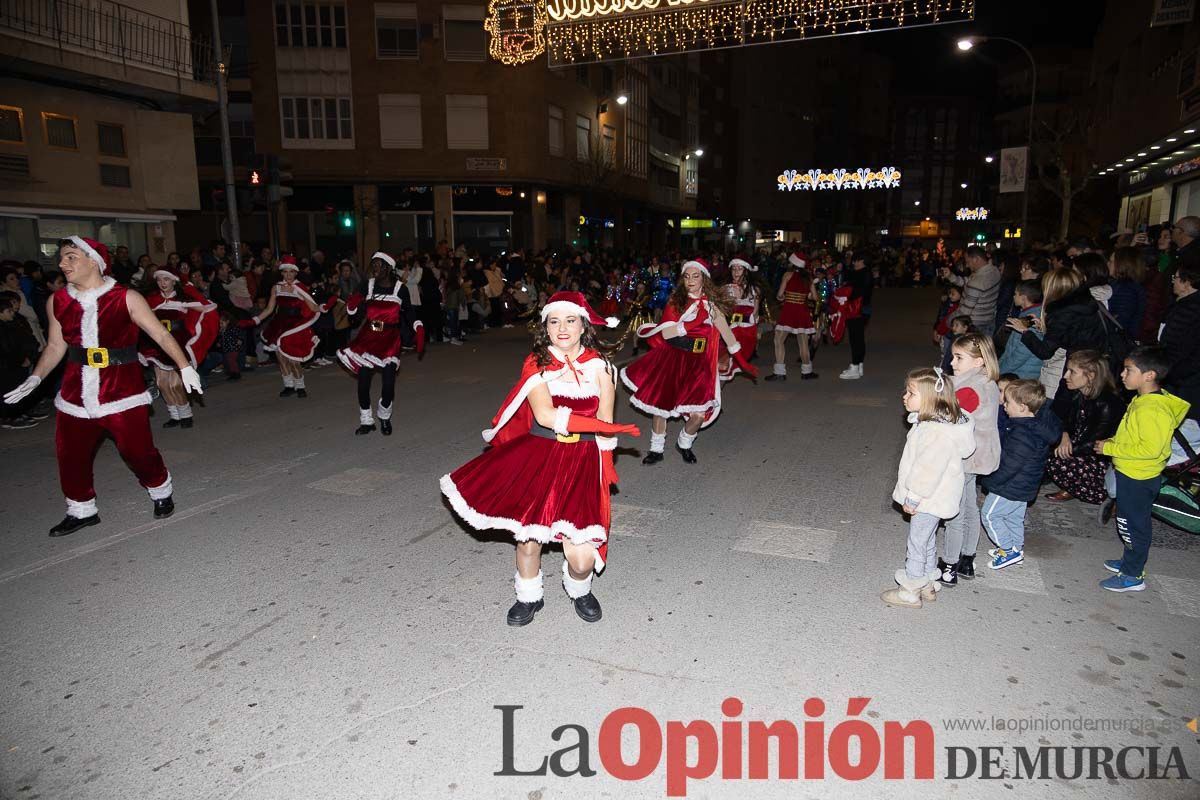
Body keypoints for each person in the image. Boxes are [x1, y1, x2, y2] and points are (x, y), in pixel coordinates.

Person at [440, 292, 640, 626]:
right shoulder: (537, 363)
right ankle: (528, 596)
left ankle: (578, 588)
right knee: (529, 539)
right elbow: (546, 416)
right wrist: (602, 426)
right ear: (545, 326)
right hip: (541, 455)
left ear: (583, 325)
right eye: (554, 321)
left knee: (582, 559)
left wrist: (606, 467)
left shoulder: (601, 367)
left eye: (570, 320)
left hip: (582, 461)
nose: (562, 328)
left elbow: (605, 425)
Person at [3, 237, 201, 535]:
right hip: (75, 390)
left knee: (138, 452)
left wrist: (184, 367)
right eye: (62, 258)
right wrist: (36, 377)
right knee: (70, 453)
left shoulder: (125, 297)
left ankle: (160, 488)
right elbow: (56, 346)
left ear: (93, 260)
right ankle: (81, 509)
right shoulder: (57, 300)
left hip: (122, 390)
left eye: (70, 257)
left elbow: (160, 335)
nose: (61, 264)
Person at [621, 259, 755, 464]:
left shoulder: (712, 305)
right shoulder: (676, 302)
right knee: (661, 407)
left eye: (696, 275)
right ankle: (656, 449)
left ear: (704, 279)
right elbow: (666, 333)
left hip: (698, 364)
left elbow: (728, 336)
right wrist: (692, 322)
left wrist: (742, 362)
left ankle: (684, 443)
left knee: (699, 414)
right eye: (687, 276)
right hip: (673, 358)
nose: (691, 280)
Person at [1096, 346, 1191, 592]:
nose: (1122, 375)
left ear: (1149, 375)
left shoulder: (1152, 409)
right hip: (1133, 472)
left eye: (1129, 370)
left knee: (1132, 526)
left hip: (1139, 476)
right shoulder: (1143, 400)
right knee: (1130, 523)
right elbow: (1136, 439)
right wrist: (1114, 444)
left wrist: (1110, 450)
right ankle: (1130, 561)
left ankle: (1132, 575)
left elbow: (1150, 449)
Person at [883, 367, 975, 609]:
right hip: (937, 496)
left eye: (911, 393)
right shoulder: (938, 423)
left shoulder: (935, 431)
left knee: (917, 541)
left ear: (930, 399)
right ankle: (928, 584)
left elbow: (927, 469)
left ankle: (910, 590)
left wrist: (913, 497)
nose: (904, 396)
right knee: (928, 539)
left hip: (928, 497)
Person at [336, 252, 425, 436]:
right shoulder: (367, 285)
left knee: (388, 385)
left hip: (390, 338)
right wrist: (352, 307)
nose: (374, 268)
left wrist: (418, 328)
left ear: (387, 267)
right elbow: (357, 314)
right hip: (369, 335)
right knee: (363, 381)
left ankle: (384, 414)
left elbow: (409, 313)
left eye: (378, 264)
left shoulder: (400, 288)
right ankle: (366, 420)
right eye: (373, 264)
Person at [938, 333, 1001, 586]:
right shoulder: (984, 381)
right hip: (978, 455)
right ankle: (967, 558)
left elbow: (946, 416)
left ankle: (950, 564)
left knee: (954, 512)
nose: (952, 362)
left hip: (966, 458)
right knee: (970, 508)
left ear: (979, 361)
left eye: (959, 357)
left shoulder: (970, 389)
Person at [979, 379, 1061, 570]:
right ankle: (1016, 547)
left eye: (1008, 402)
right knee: (1014, 518)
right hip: (1024, 486)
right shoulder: (1033, 427)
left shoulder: (1022, 433)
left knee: (989, 515)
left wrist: (991, 480)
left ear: (1023, 407)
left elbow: (1011, 464)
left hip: (1010, 486)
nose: (1005, 406)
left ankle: (1008, 551)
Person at [1007, 267, 1105, 399]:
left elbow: (1045, 352)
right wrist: (1045, 327)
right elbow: (1071, 333)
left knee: (1055, 405)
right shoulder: (1084, 303)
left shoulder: (1062, 312)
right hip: (1090, 362)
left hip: (1070, 366)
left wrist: (1025, 331)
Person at [137, 266, 217, 429]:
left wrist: (192, 290)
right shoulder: (152, 300)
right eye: (159, 280)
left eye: (166, 279)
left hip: (177, 342)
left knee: (175, 384)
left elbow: (208, 308)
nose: (162, 283)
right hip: (157, 344)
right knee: (162, 383)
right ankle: (174, 415)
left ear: (174, 280)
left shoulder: (184, 298)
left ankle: (186, 414)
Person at [1045, 350, 1125, 505]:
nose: (1065, 376)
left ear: (1091, 375)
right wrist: (1064, 434)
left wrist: (1061, 450)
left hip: (1100, 457)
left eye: (1072, 372)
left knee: (1050, 458)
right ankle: (1072, 486)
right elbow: (1059, 417)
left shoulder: (1107, 403)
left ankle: (1104, 495)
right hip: (1079, 445)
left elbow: (1093, 443)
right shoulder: (1077, 393)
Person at [244, 256, 326, 398]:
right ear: (282, 272)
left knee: (293, 359)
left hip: (294, 326)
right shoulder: (276, 287)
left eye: (291, 272)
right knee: (281, 358)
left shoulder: (299, 288)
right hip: (279, 325)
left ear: (295, 273)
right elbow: (269, 309)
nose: (288, 275)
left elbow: (312, 306)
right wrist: (255, 320)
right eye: (285, 272)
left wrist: (322, 307)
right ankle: (289, 385)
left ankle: (300, 386)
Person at [1159, 262, 1200, 465]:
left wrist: (1166, 374)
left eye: (1176, 278)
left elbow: (1176, 350)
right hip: (1185, 382)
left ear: (1187, 283)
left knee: (1180, 439)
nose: (1173, 282)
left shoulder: (1188, 311)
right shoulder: (1185, 306)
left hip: (1183, 385)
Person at [765, 253, 818, 381]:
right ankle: (807, 372)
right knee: (803, 343)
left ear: (793, 263)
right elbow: (815, 298)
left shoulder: (788, 275)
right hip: (802, 312)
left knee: (778, 340)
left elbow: (779, 295)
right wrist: (805, 295)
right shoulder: (809, 278)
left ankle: (780, 373)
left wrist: (783, 297)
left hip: (789, 311)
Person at [940, 245, 1001, 335]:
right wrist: (950, 276)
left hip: (974, 325)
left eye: (968, 261)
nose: (967, 265)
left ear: (976, 259)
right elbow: (968, 282)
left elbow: (965, 311)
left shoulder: (978, 281)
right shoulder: (994, 270)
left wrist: (948, 321)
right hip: (989, 320)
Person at [718, 257, 761, 382]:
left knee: (729, 363)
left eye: (740, 268)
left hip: (746, 331)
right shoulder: (726, 288)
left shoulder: (754, 289)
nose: (736, 272)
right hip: (730, 330)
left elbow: (755, 313)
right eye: (734, 269)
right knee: (722, 363)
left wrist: (755, 330)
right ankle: (713, 396)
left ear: (746, 271)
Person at [997, 280, 1044, 380]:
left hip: (1021, 374)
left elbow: (1021, 354)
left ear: (1023, 298)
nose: (1013, 296)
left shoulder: (1032, 320)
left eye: (1015, 294)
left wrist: (999, 370)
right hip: (1022, 371)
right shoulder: (1030, 314)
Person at [838, 253, 872, 380]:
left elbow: (856, 292)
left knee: (855, 338)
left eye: (855, 261)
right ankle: (859, 365)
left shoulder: (860, 274)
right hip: (864, 309)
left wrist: (845, 291)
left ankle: (855, 366)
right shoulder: (866, 273)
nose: (853, 263)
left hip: (856, 310)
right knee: (859, 337)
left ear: (862, 260)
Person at [1108, 247, 1147, 337]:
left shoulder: (1127, 290)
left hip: (1119, 340)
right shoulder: (1123, 286)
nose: (1108, 264)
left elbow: (1120, 322)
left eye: (1111, 261)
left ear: (1122, 265)